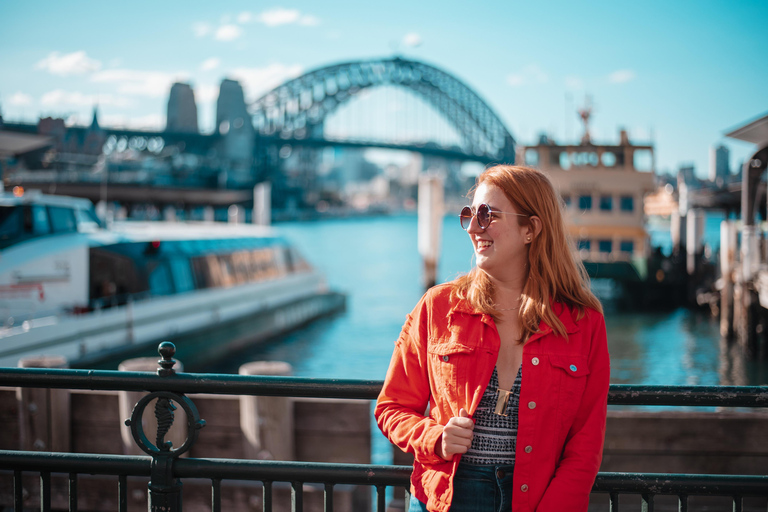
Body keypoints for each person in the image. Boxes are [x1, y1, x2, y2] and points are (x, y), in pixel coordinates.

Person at [375, 165, 610, 512]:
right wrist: (435, 438)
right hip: (446, 499)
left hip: (535, 501)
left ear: (530, 228)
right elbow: (391, 407)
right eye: (470, 214)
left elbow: (584, 447)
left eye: (488, 215)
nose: (472, 227)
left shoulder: (583, 323)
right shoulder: (437, 307)